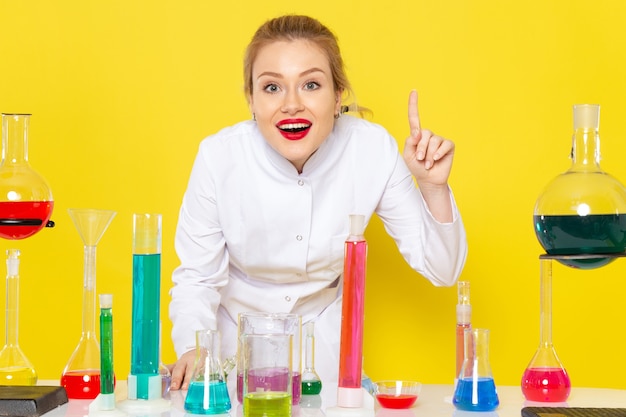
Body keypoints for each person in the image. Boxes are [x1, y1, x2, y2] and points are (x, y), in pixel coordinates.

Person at [168, 14, 467, 392]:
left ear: (338, 95)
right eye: (272, 87)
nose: (291, 104)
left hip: (321, 355)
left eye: (311, 84)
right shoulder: (218, 157)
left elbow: (442, 270)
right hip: (230, 351)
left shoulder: (371, 149)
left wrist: (433, 188)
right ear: (251, 99)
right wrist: (196, 348)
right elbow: (197, 277)